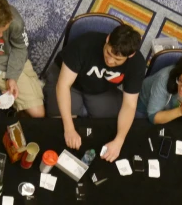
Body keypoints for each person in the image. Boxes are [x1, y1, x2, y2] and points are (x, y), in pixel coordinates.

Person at [43, 24, 144, 162]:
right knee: (60, 126)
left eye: (117, 60)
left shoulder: (137, 63)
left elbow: (130, 104)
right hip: (70, 82)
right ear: (108, 39)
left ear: (131, 55)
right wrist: (69, 128)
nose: (110, 61)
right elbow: (63, 85)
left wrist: (119, 141)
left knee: (110, 126)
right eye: (108, 53)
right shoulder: (84, 44)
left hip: (101, 88)